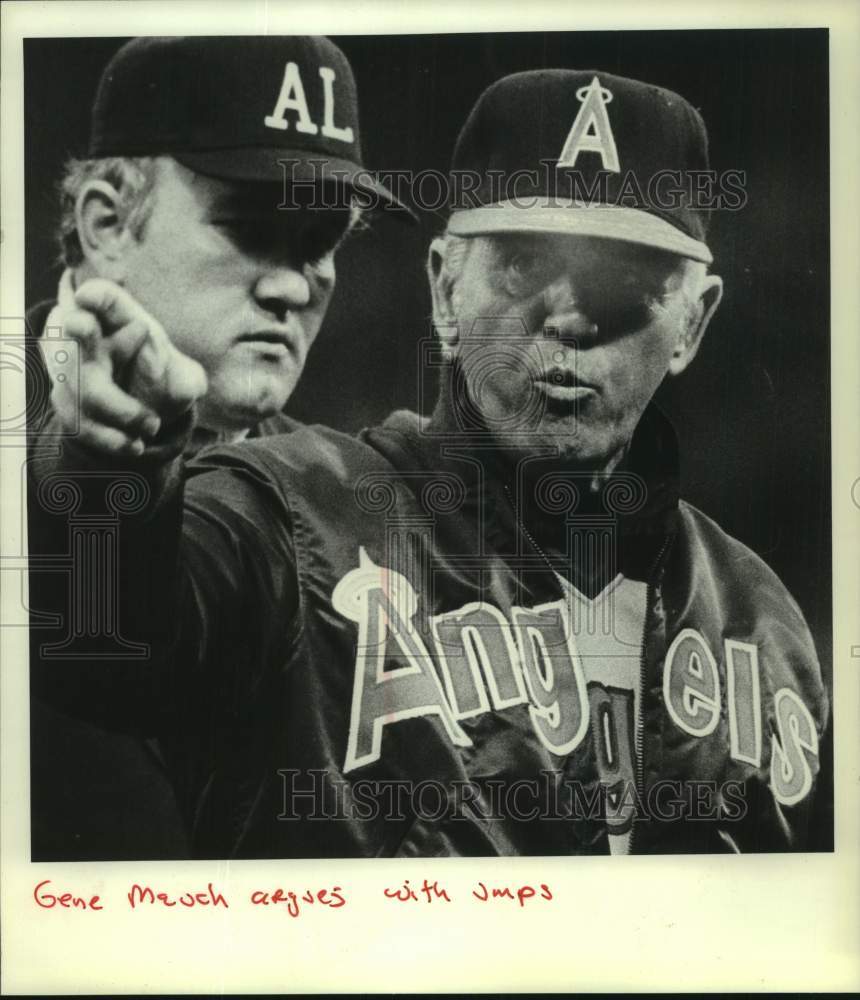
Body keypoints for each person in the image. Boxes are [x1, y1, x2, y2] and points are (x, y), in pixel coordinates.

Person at [31, 68, 828, 857]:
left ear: (693, 321)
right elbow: (105, 656)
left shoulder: (763, 618)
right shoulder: (293, 504)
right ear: (445, 289)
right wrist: (109, 463)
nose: (572, 316)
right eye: (523, 266)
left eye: (624, 281)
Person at [26, 34, 411, 859]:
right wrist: (107, 461)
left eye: (320, 242)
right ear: (107, 225)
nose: (292, 284)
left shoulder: (341, 497)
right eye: (247, 226)